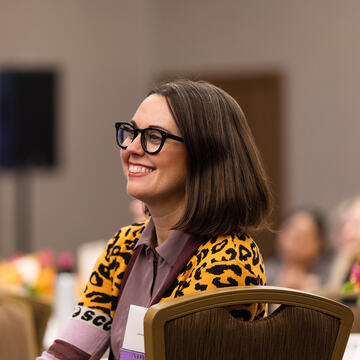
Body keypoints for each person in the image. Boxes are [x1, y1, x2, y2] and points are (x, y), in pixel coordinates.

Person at [37, 79, 272, 360]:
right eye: (131, 132)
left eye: (153, 137)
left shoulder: (231, 259)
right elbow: (68, 353)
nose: (131, 148)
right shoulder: (123, 246)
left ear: (204, 155)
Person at [266, 207, 328, 291]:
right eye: (291, 233)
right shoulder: (263, 274)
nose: (297, 241)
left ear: (319, 243)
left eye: (305, 236)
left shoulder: (329, 278)